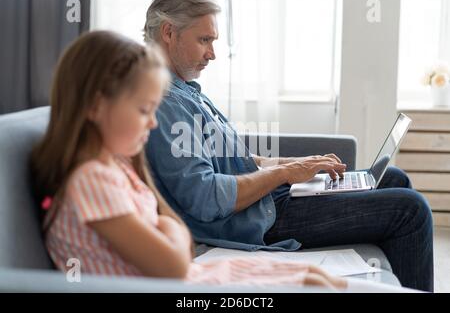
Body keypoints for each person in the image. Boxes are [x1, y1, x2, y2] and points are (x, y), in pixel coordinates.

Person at [143, 0, 434, 291]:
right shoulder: (165, 102)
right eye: (205, 40)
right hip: (259, 221)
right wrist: (282, 174)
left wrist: (297, 165)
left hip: (264, 202)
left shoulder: (186, 92)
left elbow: (235, 159)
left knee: (392, 177)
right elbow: (205, 197)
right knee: (411, 210)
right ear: (168, 32)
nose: (212, 53)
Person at [30, 30, 348, 290]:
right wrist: (170, 228)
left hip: (188, 282)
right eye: (144, 110)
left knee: (314, 279)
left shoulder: (118, 168)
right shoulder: (91, 180)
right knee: (311, 285)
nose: (153, 123)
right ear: (96, 107)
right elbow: (173, 262)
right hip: (182, 289)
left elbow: (175, 245)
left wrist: (168, 229)